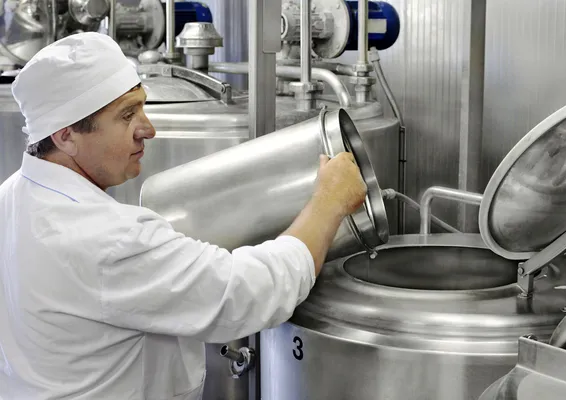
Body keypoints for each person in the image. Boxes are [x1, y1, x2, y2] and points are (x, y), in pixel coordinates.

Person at [0, 32, 367, 399]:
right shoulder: (107, 240)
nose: (148, 129)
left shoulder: (10, 198)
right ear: (66, 137)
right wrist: (329, 203)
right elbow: (245, 293)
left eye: (142, 106)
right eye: (127, 115)